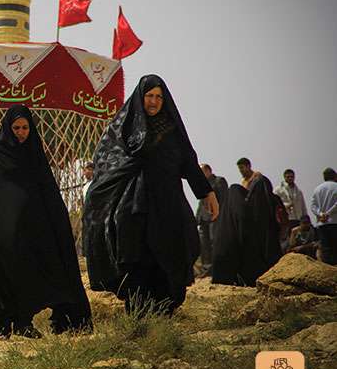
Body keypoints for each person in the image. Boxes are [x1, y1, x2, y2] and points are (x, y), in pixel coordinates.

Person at [83, 75, 217, 317]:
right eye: (149, 96)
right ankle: (138, 313)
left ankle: (165, 309)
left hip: (168, 205)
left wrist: (206, 192)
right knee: (135, 257)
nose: (154, 102)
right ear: (140, 98)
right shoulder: (123, 127)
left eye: (158, 97)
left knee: (171, 254)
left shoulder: (172, 130)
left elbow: (188, 161)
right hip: (132, 206)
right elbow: (106, 163)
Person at [0, 104, 92, 337]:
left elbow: (47, 192)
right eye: (16, 127)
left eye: (25, 127)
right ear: (7, 127)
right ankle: (5, 323)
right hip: (1, 234)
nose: (21, 132)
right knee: (5, 273)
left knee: (30, 273)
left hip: (30, 232)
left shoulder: (34, 154)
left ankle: (24, 323)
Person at [211, 158, 282, 286]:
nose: (241, 171)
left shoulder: (257, 179)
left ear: (248, 166)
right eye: (239, 169)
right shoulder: (244, 182)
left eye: (243, 168)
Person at [195, 164, 228, 277]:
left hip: (215, 218)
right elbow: (201, 202)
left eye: (202, 171)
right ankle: (206, 269)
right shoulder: (201, 183)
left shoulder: (219, 181)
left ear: (208, 171)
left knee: (215, 242)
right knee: (205, 245)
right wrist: (197, 218)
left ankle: (217, 268)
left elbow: (223, 200)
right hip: (204, 220)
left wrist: (221, 216)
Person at [310, 167, 337, 264]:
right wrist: (328, 213)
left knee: (325, 249)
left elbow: (313, 206)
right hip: (334, 222)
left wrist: (321, 214)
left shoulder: (318, 189)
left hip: (322, 223)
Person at [273, 169, 309, 241]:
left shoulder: (298, 191)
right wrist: (286, 205)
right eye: (288, 177)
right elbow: (274, 204)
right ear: (284, 177)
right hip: (285, 220)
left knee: (297, 240)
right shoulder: (278, 190)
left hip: (298, 219)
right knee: (286, 240)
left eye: (292, 177)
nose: (290, 178)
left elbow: (303, 206)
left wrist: (306, 218)